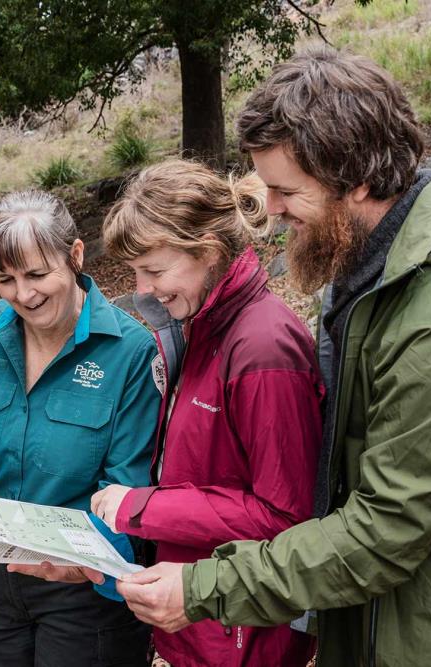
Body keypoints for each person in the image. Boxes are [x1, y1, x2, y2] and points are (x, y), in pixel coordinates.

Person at [115, 47, 431, 667]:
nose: (267, 211)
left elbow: (386, 530)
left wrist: (206, 588)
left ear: (355, 179)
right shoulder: (373, 279)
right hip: (382, 623)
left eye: (285, 191)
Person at [0, 190, 160, 667]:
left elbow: (130, 487)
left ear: (75, 255)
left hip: (87, 591)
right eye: (6, 280)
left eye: (38, 274)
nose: (24, 294)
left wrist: (83, 562)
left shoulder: (132, 352)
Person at [87, 159, 323, 667]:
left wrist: (142, 508)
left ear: (208, 253)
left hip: (247, 633)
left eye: (153, 270)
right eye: (135, 272)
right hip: (204, 617)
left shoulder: (262, 347)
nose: (142, 288)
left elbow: (284, 516)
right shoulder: (196, 325)